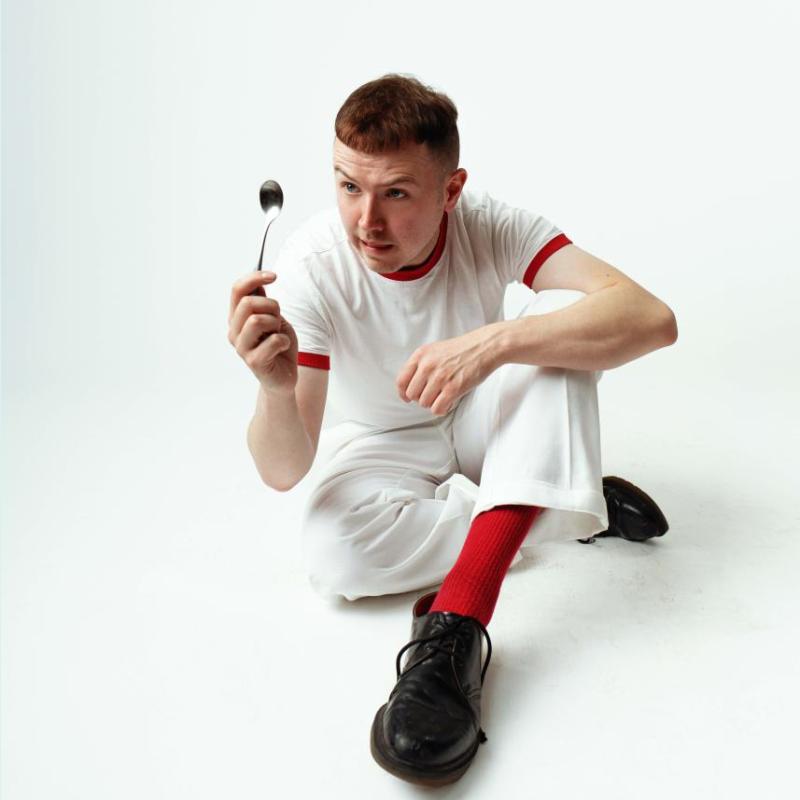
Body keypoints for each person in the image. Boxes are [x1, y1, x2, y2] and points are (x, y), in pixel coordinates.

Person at [227, 73, 677, 786]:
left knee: (547, 333)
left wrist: (493, 344)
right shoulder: (310, 267)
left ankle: (458, 626)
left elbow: (652, 318)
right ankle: (545, 501)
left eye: (397, 193)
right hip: (384, 440)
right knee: (332, 558)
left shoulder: (493, 223)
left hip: (480, 411)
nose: (365, 221)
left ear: (451, 189)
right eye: (348, 187)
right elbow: (283, 469)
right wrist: (274, 389)